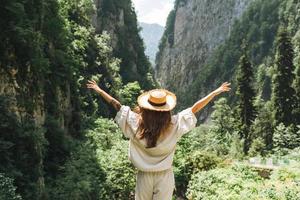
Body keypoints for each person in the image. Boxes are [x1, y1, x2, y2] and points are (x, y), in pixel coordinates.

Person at [87, 80, 231, 200]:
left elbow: (116, 105)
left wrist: (99, 90)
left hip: (144, 175)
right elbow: (195, 108)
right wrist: (214, 92)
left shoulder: (136, 123)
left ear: (145, 108)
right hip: (164, 175)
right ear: (166, 109)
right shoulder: (174, 125)